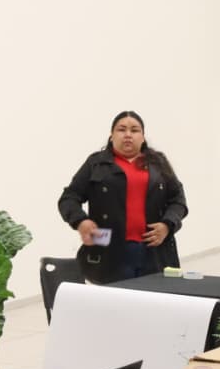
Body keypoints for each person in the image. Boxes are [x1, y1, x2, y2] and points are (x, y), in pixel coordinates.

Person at [58, 111, 188, 283]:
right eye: (121, 129)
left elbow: (178, 200)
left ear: (143, 137)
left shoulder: (158, 163)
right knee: (114, 299)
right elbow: (69, 198)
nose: (128, 135)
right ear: (111, 136)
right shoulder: (96, 163)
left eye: (134, 130)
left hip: (154, 253)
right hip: (109, 253)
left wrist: (167, 225)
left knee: (152, 298)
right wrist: (80, 221)